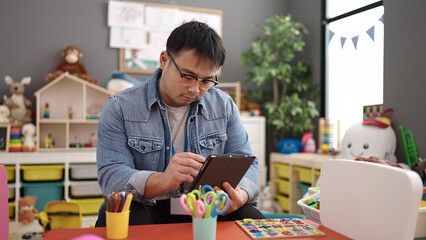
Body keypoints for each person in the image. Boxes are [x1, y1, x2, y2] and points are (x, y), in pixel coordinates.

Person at [95, 21, 264, 226]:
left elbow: (248, 161)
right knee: (121, 214)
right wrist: (163, 179)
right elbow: (112, 175)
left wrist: (241, 195)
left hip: (207, 205)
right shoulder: (120, 107)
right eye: (188, 76)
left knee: (251, 217)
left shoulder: (224, 105)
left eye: (206, 81)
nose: (195, 89)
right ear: (164, 60)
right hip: (149, 206)